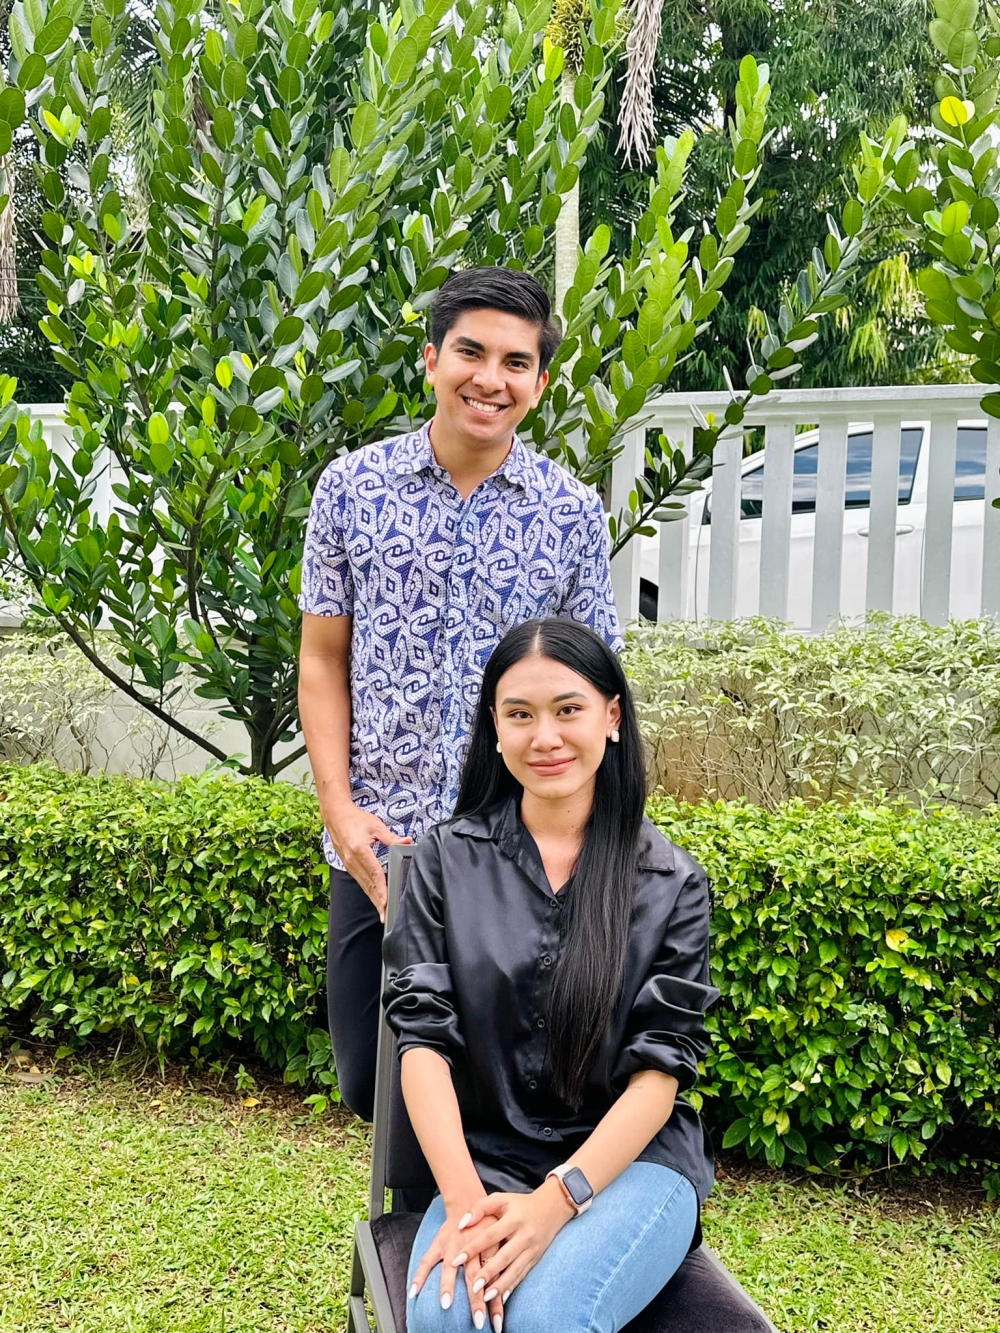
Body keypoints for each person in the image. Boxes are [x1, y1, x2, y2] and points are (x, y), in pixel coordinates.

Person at [298, 266, 622, 1123]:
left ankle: (475, 1234)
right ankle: (424, 1235)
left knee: (501, 1085)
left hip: (517, 853)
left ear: (539, 384)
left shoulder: (572, 513)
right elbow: (324, 660)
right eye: (471, 352)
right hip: (380, 846)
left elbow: (597, 689)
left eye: (516, 362)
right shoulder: (350, 490)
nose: (491, 378)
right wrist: (339, 809)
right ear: (433, 358)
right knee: (375, 1086)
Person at [383, 619, 718, 1333]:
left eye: (569, 708)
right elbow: (422, 1044)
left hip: (633, 1166)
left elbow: (659, 1078)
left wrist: (554, 1202)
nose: (546, 736)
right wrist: (468, 1206)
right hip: (490, 1156)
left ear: (612, 716)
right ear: (494, 729)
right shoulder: (444, 862)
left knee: (549, 1320)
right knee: (449, 1318)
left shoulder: (672, 883)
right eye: (520, 714)